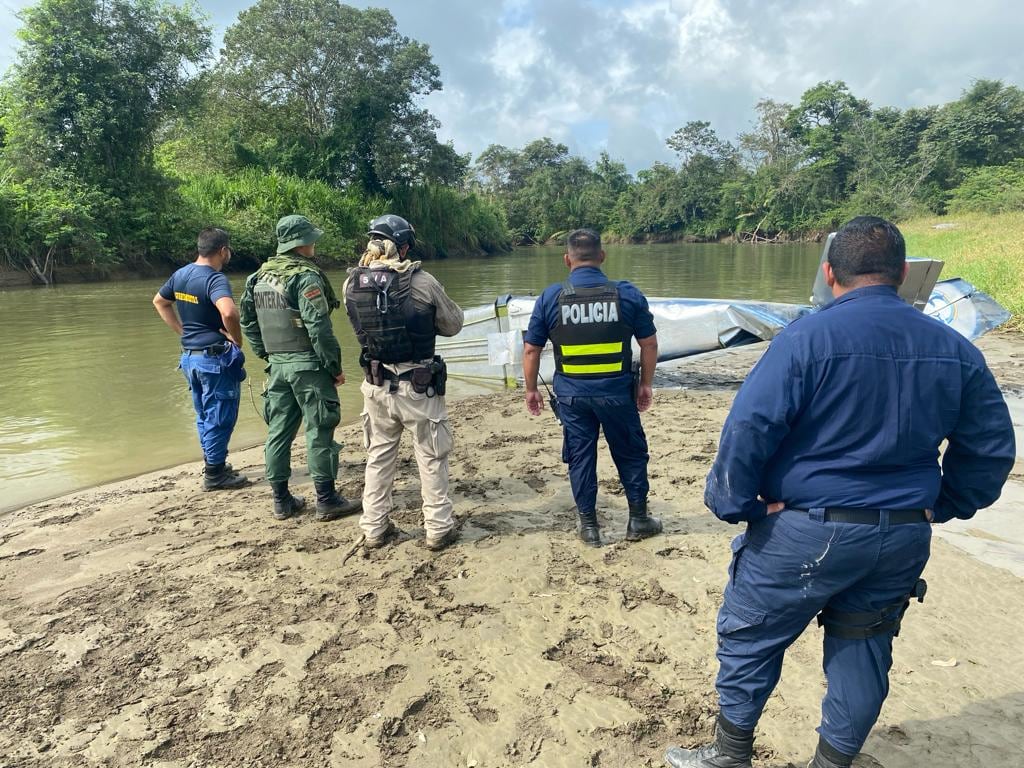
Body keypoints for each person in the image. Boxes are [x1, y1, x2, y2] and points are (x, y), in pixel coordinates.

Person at [664, 216, 1016, 768]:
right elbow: (992, 447)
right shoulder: (954, 347)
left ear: (829, 274)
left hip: (805, 531)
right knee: (864, 647)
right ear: (902, 273)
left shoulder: (805, 338)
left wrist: (736, 503)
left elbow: (750, 428)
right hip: (900, 534)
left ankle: (728, 756)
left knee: (751, 638)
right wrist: (942, 505)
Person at [522, 228, 662, 547]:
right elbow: (650, 343)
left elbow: (531, 350)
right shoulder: (627, 294)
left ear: (567, 259)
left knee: (581, 456)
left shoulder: (551, 298)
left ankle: (588, 526)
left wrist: (531, 390)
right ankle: (638, 519)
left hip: (573, 398)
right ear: (602, 256)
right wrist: (646, 385)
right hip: (617, 394)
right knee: (630, 453)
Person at [343, 214, 465, 551]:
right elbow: (453, 324)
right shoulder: (422, 282)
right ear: (405, 246)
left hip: (376, 385)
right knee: (431, 456)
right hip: (419, 387)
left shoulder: (351, 283)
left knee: (379, 456)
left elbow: (360, 328)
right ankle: (438, 529)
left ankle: (373, 528)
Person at [239, 215, 360, 522]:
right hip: (308, 366)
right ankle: (326, 499)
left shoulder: (257, 278)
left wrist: (267, 356)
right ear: (301, 243)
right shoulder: (306, 277)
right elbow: (318, 327)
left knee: (278, 431)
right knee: (319, 428)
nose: (314, 243)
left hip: (278, 367)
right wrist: (334, 366)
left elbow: (248, 323)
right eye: (311, 238)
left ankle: (281, 501)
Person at [153, 227, 248, 491]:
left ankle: (213, 462)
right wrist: (236, 339)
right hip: (214, 358)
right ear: (223, 251)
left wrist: (182, 332)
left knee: (204, 414)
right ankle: (215, 475)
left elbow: (159, 302)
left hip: (190, 358)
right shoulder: (214, 279)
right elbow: (229, 312)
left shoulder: (181, 275)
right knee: (220, 415)